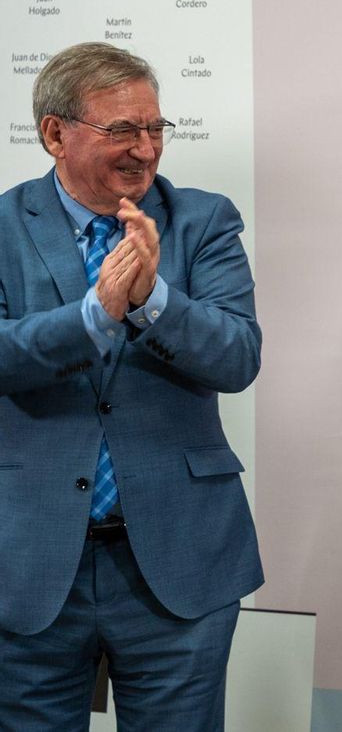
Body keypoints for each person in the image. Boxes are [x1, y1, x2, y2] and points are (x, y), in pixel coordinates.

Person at [0, 42, 263, 730]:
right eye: (121, 130)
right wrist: (93, 317)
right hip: (29, 563)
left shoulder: (203, 220)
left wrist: (152, 301)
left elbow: (237, 357)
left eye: (154, 129)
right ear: (56, 133)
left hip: (179, 563)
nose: (145, 149)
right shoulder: (2, 227)